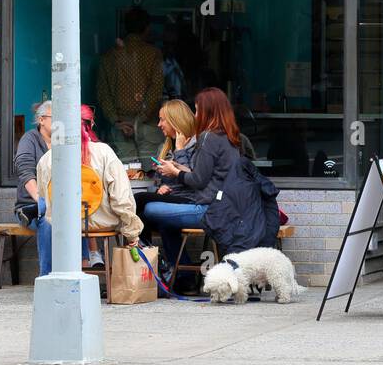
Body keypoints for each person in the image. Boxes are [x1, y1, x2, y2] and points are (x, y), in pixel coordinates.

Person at [144, 87, 242, 287]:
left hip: (208, 209)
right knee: (159, 217)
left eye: (197, 111)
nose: (195, 116)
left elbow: (197, 180)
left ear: (208, 112)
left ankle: (149, 262)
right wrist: (177, 168)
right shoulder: (228, 137)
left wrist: (176, 169)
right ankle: (179, 275)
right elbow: (201, 173)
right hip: (223, 207)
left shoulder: (208, 138)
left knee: (145, 207)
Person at [34, 115, 143, 277]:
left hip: (64, 225)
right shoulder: (105, 153)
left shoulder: (48, 158)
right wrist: (132, 233)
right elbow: (121, 198)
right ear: (91, 124)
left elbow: (44, 195)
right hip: (103, 223)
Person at [96, 6, 165, 161]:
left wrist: (116, 120)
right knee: (153, 173)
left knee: (127, 175)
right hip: (148, 124)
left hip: (121, 124)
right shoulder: (153, 54)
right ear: (147, 28)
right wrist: (139, 120)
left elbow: (103, 93)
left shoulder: (109, 56)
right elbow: (156, 89)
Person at [134, 99, 199, 240]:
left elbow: (195, 179)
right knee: (142, 215)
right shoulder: (166, 147)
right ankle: (152, 255)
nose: (158, 124)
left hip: (190, 200)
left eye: (162, 120)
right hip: (172, 198)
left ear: (175, 121)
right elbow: (158, 182)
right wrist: (160, 188)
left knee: (139, 199)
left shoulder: (198, 145)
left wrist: (181, 150)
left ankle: (143, 250)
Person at [14, 101, 52, 275]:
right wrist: (41, 200)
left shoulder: (64, 141)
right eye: (55, 118)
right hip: (32, 205)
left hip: (60, 204)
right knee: (48, 222)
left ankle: (86, 263)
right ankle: (46, 276)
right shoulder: (29, 139)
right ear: (42, 120)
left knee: (77, 219)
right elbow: (25, 171)